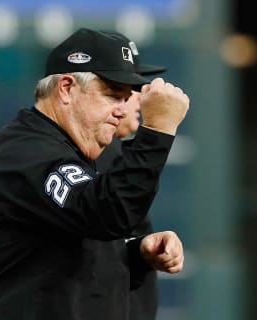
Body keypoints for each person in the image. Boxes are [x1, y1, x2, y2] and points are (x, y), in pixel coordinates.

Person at [0, 28, 189, 320]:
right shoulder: (26, 152)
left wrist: (137, 252)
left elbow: (78, 251)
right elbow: (107, 213)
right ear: (66, 88)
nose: (122, 109)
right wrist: (156, 132)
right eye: (113, 95)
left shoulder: (79, 152)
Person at [95, 32, 169, 320]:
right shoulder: (90, 155)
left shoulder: (113, 153)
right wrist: (158, 129)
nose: (140, 96)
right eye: (131, 87)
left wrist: (142, 249)